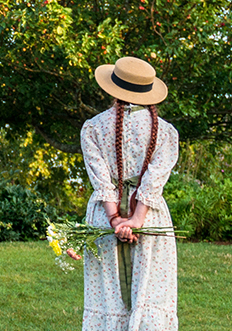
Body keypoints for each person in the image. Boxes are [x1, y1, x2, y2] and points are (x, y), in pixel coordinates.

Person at [64, 56, 180, 330]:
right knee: (151, 292)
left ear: (112, 88)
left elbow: (101, 180)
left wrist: (115, 219)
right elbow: (152, 182)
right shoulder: (166, 132)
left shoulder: (93, 127)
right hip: (150, 219)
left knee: (107, 296)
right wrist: (136, 220)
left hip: (105, 217)